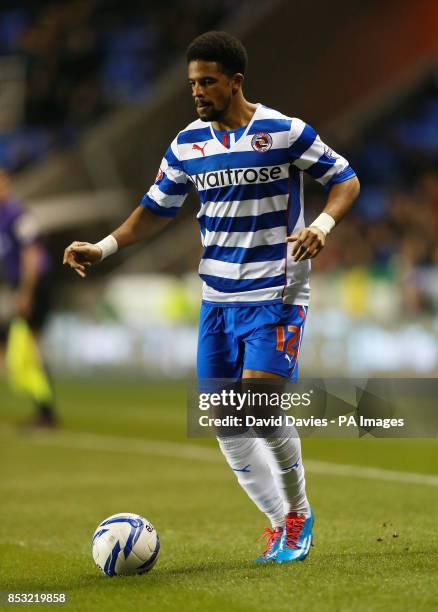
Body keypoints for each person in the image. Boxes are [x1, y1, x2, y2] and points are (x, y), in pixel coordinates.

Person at [63, 31, 360, 563]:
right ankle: (277, 523)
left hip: (277, 290)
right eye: (192, 84)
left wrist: (322, 224)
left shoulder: (285, 131)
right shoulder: (186, 144)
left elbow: (345, 178)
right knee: (226, 419)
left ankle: (298, 516)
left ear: (235, 81)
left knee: (258, 408)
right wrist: (103, 247)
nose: (197, 92)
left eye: (207, 82)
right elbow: (154, 210)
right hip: (217, 298)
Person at [0, 168, 56, 427]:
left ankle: (46, 413)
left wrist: (25, 293)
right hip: (20, 284)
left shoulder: (17, 215)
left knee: (30, 348)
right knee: (25, 348)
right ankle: (43, 410)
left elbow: (32, 255)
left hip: (35, 284)